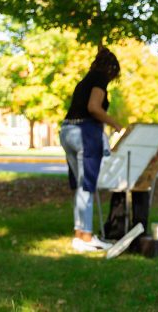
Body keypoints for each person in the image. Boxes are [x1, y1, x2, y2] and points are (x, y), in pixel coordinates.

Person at [59, 47, 123, 252]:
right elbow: (94, 107)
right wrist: (116, 124)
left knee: (79, 186)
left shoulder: (84, 80)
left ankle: (79, 234)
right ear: (111, 69)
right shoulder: (100, 79)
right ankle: (86, 236)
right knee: (87, 185)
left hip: (67, 130)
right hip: (85, 133)